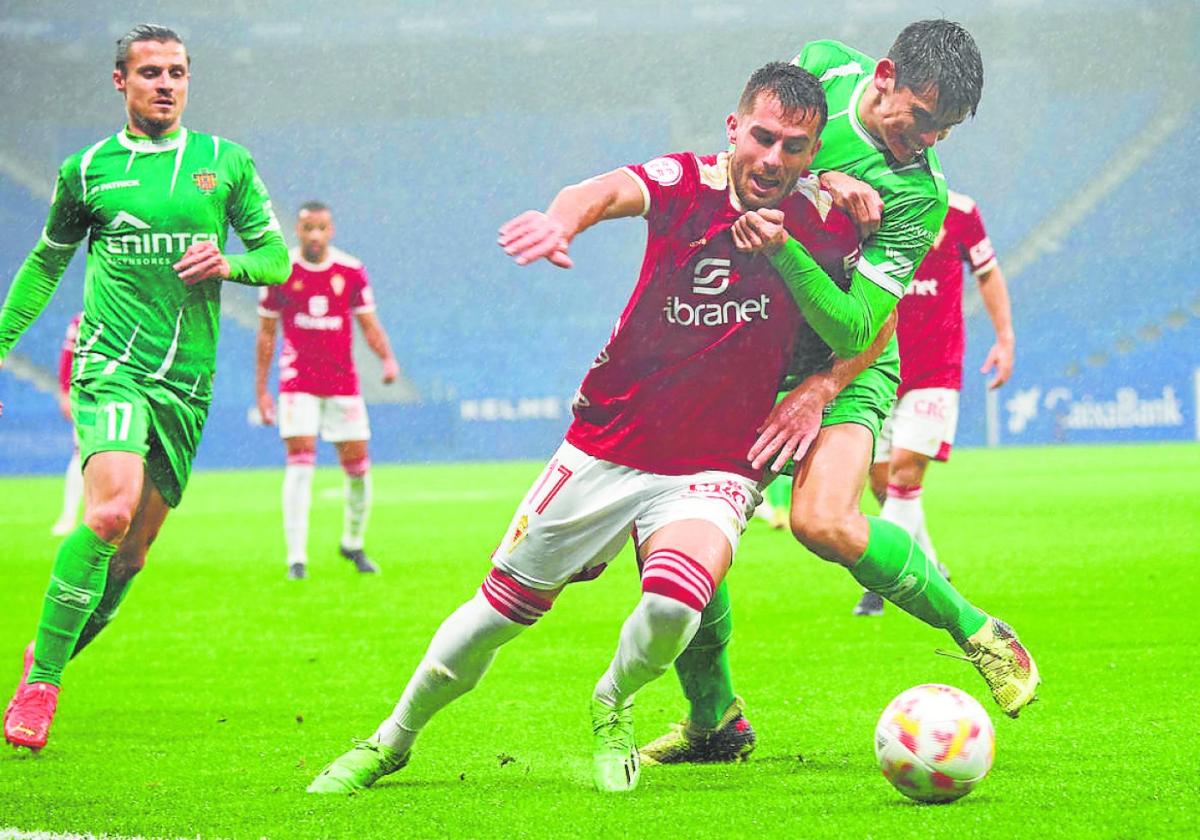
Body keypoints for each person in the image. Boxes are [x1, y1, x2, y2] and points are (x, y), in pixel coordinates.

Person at [305, 62, 890, 795]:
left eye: (796, 147)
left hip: (716, 460)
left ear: (815, 152)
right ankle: (392, 739)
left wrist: (826, 382)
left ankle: (612, 700)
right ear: (734, 129)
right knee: (497, 615)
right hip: (611, 441)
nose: (774, 160)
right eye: (764, 138)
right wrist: (559, 219)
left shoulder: (832, 219)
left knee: (678, 598)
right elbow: (602, 191)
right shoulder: (684, 181)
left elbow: (877, 311)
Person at [642, 19, 1038, 767]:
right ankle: (714, 722)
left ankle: (978, 631)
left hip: (847, 363)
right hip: (749, 349)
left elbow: (860, 324)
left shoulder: (918, 194)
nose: (925, 141)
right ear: (883, 76)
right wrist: (820, 176)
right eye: (919, 118)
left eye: (943, 131)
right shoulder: (820, 67)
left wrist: (819, 387)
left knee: (822, 521)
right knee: (675, 526)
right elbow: (750, 155)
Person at [0, 23, 289, 751]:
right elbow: (45, 264)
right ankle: (41, 689)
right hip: (111, 367)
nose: (166, 83)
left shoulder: (224, 164)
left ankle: (50, 654)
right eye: (151, 71)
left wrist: (230, 265)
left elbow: (278, 259)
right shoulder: (87, 169)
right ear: (120, 81)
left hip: (186, 383)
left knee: (129, 559)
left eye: (178, 72)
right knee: (108, 514)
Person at [854, 189, 1014, 616]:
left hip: (936, 367)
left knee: (907, 469)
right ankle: (933, 567)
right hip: (879, 364)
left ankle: (881, 579)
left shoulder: (960, 212)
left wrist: (1005, 338)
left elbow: (988, 272)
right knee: (882, 481)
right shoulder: (871, 204)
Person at [255, 201, 401, 580]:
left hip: (342, 384)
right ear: (298, 231)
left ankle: (352, 543)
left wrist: (387, 359)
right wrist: (261, 390)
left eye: (321, 227)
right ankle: (296, 558)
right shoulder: (280, 270)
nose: (315, 235)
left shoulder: (350, 270)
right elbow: (267, 334)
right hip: (297, 380)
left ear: (330, 230)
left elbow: (369, 324)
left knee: (358, 470)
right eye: (308, 228)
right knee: (301, 464)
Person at [50, 312, 85, 537]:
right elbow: (68, 356)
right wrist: (65, 393)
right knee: (81, 453)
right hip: (88, 394)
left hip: (126, 393)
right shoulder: (81, 320)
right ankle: (69, 515)